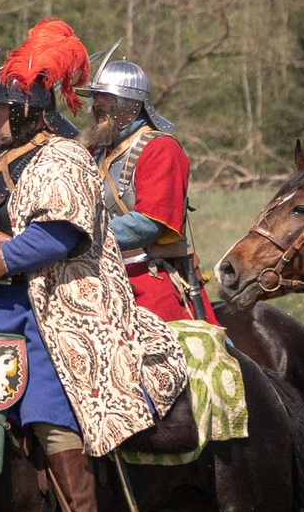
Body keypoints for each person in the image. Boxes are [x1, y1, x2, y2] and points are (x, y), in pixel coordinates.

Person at [0, 19, 187, 512]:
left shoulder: (64, 159)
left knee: (47, 391)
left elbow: (53, 238)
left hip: (59, 301)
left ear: (28, 110)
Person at [80, 58, 213, 325]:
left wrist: (81, 235)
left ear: (131, 104)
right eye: (97, 97)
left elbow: (149, 223)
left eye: (107, 98)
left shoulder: (161, 148)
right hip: (97, 272)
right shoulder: (95, 152)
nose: (98, 105)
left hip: (148, 275)